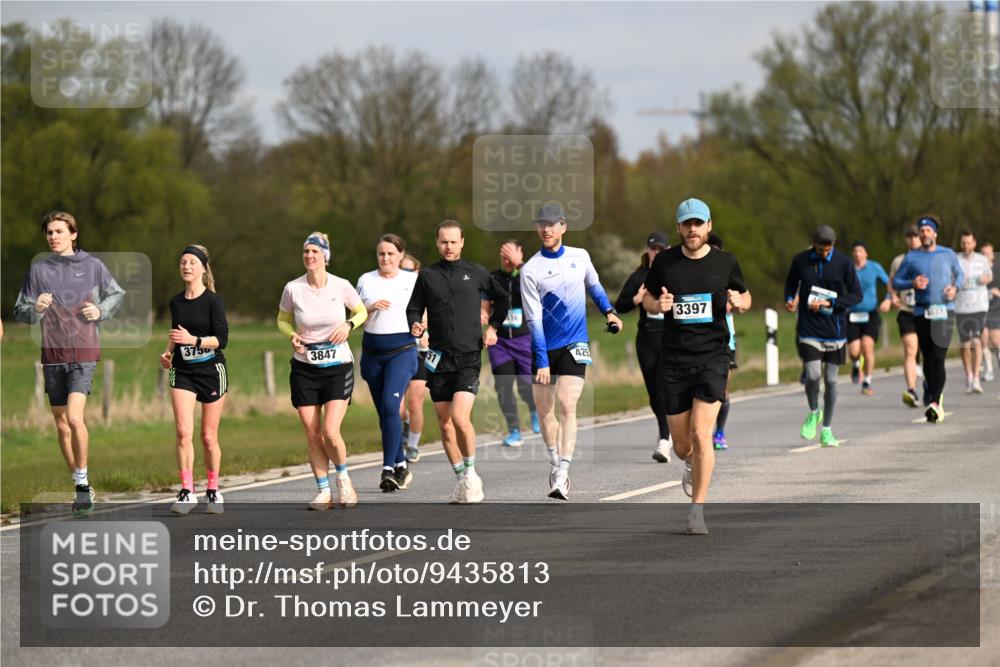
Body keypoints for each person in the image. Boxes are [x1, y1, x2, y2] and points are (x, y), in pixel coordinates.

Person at [642, 198, 750, 535]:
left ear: (709, 226)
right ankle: (689, 462)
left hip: (712, 358)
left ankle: (696, 511)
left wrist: (740, 302)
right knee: (682, 445)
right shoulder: (666, 263)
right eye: (687, 224)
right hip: (673, 360)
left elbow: (746, 296)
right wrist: (657, 304)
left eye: (698, 224)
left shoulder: (725, 262)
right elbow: (645, 297)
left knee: (703, 434)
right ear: (678, 228)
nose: (692, 230)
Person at [13, 211, 125, 514]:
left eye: (59, 231)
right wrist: (35, 308)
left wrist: (100, 311)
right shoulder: (38, 270)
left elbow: (116, 294)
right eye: (49, 232)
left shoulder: (92, 266)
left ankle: (82, 483)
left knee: (75, 418)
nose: (53, 236)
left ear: (73, 234)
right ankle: (81, 484)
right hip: (52, 354)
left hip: (84, 351)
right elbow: (19, 310)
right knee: (61, 423)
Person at [522, 204, 622, 501]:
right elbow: (533, 319)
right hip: (544, 346)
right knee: (544, 411)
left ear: (563, 227)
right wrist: (541, 360)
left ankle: (563, 473)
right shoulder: (530, 269)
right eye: (541, 224)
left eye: (551, 224)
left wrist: (610, 312)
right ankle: (555, 463)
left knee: (567, 404)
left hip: (575, 342)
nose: (546, 229)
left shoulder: (581, 256)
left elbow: (595, 286)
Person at [405, 220, 509, 504]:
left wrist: (493, 328)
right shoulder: (427, 275)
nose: (448, 246)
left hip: (468, 356)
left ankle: (472, 475)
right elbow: (413, 308)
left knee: (460, 418)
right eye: (443, 241)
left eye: (453, 241)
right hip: (438, 358)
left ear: (462, 242)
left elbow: (502, 299)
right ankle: (461, 478)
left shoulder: (476, 273)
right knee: (444, 422)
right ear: (436, 243)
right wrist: (415, 324)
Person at [277, 232, 366, 509]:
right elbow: (282, 320)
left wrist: (349, 325)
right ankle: (323, 491)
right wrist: (291, 335)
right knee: (312, 432)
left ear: (325, 256)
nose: (309, 256)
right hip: (305, 367)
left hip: (338, 366)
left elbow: (361, 311)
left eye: (315, 252)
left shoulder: (340, 286)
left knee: (330, 430)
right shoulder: (293, 288)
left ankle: (343, 478)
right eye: (306, 251)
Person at [159, 245, 229, 515]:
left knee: (208, 436)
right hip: (183, 371)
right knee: (182, 431)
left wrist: (194, 341)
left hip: (211, 371)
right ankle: (187, 490)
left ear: (202, 268)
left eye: (192, 262)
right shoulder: (176, 302)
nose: (186, 266)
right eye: (183, 262)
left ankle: (213, 489)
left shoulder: (213, 301)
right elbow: (177, 334)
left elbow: (222, 340)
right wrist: (169, 351)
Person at [784, 225, 862, 448]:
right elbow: (791, 283)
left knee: (831, 380)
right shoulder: (800, 261)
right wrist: (791, 298)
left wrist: (832, 303)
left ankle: (826, 430)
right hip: (809, 329)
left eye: (828, 250)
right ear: (814, 244)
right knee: (812, 374)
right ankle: (813, 411)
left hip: (835, 330)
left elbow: (857, 294)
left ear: (833, 245)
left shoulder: (844, 262)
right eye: (821, 249)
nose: (824, 253)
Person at [356, 234, 419, 492]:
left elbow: (425, 310)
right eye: (381, 254)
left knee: (391, 405)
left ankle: (387, 469)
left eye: (391, 254)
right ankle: (401, 464)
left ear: (400, 255)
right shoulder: (365, 280)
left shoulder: (412, 280)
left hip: (402, 351)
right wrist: (370, 307)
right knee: (385, 413)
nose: (386, 258)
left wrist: (422, 324)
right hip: (372, 352)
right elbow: (355, 315)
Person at [891, 215, 963, 423]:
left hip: (944, 310)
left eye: (928, 231)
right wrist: (912, 282)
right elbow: (897, 281)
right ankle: (934, 397)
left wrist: (954, 288)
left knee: (939, 356)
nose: (924, 234)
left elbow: (959, 275)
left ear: (934, 234)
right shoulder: (912, 257)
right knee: (929, 359)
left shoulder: (947, 254)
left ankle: (934, 403)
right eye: (921, 231)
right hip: (921, 312)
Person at [615, 231, 672, 461]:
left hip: (670, 338)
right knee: (653, 393)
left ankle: (665, 440)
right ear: (647, 251)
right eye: (653, 248)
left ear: (667, 250)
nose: (656, 252)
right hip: (647, 338)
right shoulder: (639, 276)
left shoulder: (674, 273)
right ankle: (666, 432)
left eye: (660, 249)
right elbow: (619, 305)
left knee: (663, 387)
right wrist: (636, 300)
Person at [488, 239, 540, 448]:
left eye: (511, 254)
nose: (507, 259)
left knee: (526, 385)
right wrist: (484, 314)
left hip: (524, 338)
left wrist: (520, 265)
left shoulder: (528, 273)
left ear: (520, 254)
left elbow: (537, 287)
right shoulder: (493, 278)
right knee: (503, 386)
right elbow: (484, 302)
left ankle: (535, 411)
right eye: (503, 255)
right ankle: (514, 431)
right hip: (500, 341)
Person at [706, 233, 741, 451]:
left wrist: (735, 302)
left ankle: (719, 432)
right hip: (698, 340)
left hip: (726, 341)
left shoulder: (728, 272)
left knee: (722, 390)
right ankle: (701, 431)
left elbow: (742, 299)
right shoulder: (693, 273)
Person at [846, 241, 892, 395]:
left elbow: (889, 283)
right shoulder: (848, 268)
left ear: (866, 254)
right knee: (853, 351)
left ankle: (867, 381)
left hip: (870, 314)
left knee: (867, 347)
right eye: (855, 251)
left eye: (860, 251)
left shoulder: (874, 267)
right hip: (852, 314)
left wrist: (888, 299)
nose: (857, 254)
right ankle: (856, 363)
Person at [888, 226, 924, 407]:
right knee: (910, 349)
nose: (913, 240)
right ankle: (911, 390)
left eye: (916, 236)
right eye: (909, 237)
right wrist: (892, 297)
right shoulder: (898, 261)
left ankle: (928, 381)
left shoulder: (929, 259)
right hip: (906, 310)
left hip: (926, 310)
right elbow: (891, 283)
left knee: (928, 352)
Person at [954, 229, 992, 394]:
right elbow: (949, 278)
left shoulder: (982, 260)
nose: (966, 245)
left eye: (968, 242)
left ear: (974, 243)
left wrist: (985, 279)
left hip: (979, 306)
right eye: (963, 242)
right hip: (961, 306)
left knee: (976, 341)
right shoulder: (955, 260)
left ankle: (976, 377)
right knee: (964, 345)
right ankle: (968, 375)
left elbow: (989, 276)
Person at [399, 253, 428, 462]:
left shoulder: (427, 292)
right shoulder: (393, 293)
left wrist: (429, 335)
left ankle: (413, 445)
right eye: (402, 270)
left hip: (420, 354)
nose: (405, 274)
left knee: (416, 402)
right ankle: (405, 423)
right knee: (398, 408)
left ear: (417, 272)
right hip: (399, 352)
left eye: (409, 270)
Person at [982, 241, 1000, 382]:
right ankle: (988, 370)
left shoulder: (998, 270)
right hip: (980, 309)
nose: (986, 256)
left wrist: (996, 292)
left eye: (988, 254)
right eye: (983, 254)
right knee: (983, 340)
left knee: (995, 340)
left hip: (996, 309)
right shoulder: (977, 271)